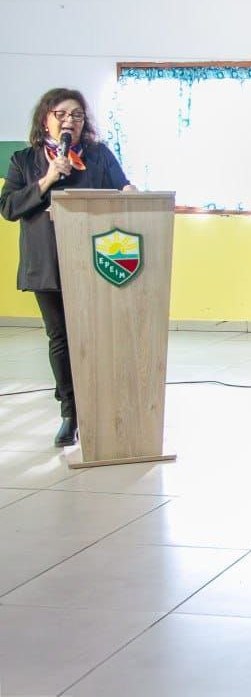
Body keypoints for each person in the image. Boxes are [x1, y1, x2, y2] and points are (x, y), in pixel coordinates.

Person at [1, 88, 136, 446]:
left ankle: (102, 405)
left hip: (95, 260)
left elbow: (122, 189)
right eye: (61, 114)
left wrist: (130, 191)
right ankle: (70, 413)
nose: (69, 121)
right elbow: (9, 208)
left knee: (95, 334)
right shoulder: (23, 160)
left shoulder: (98, 155)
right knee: (60, 337)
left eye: (76, 115)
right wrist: (47, 178)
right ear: (45, 119)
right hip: (46, 263)